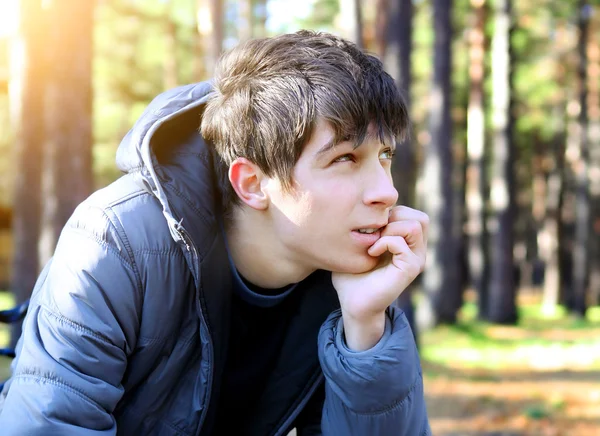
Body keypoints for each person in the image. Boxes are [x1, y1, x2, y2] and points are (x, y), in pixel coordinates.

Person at [0, 30, 431, 435]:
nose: (386, 191)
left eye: (385, 154)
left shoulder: (346, 272)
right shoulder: (115, 242)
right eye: (345, 159)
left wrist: (366, 331)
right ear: (251, 182)